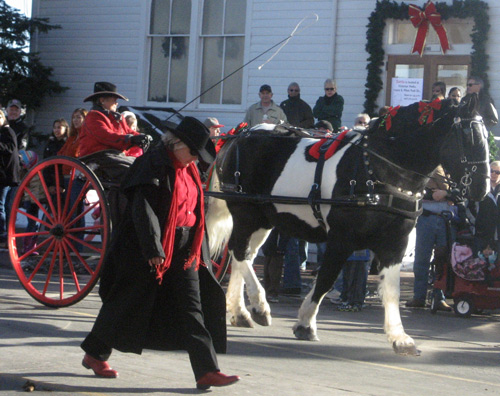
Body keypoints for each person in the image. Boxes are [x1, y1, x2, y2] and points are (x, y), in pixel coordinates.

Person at [80, 116, 239, 390]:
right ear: (176, 143)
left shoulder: (187, 168)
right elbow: (143, 209)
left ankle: (207, 370)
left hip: (185, 247)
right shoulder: (151, 163)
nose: (194, 160)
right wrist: (153, 248)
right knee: (127, 299)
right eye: (192, 152)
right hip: (147, 246)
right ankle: (95, 353)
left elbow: (193, 209)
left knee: (193, 307)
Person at [78, 81, 150, 182]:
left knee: (142, 166)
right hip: (98, 156)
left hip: (114, 155)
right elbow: (106, 135)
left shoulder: (117, 117)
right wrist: (131, 139)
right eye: (114, 100)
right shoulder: (93, 116)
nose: (117, 103)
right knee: (134, 169)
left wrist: (142, 136)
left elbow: (128, 131)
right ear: (102, 100)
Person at [406, 166, 455, 311]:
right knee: (422, 259)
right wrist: (431, 194)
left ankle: (439, 297)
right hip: (426, 218)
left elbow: (462, 194)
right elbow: (414, 189)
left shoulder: (455, 168)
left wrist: (446, 192)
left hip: (446, 220)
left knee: (443, 260)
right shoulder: (426, 166)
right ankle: (419, 296)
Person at [0, 109, 20, 248]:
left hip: (5, 176)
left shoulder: (8, 131)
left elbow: (11, 148)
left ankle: (3, 233)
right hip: (4, 175)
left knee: (2, 205)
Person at [474, 161, 500, 253]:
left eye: (497, 172)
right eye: (492, 171)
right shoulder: (479, 189)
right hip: (482, 234)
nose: (494, 174)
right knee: (479, 265)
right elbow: (471, 208)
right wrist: (475, 224)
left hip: (498, 235)